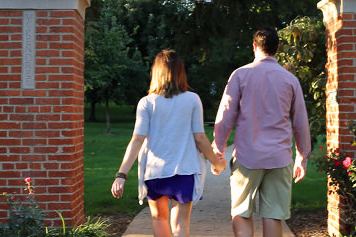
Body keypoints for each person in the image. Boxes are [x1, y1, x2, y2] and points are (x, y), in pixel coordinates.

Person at [112, 50, 227, 237]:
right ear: (181, 72)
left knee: (159, 219)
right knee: (181, 225)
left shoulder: (146, 103)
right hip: (185, 171)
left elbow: (137, 140)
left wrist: (121, 175)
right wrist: (217, 162)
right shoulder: (192, 99)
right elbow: (200, 138)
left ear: (155, 72)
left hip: (155, 173)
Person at [212, 28, 311, 237]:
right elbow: (301, 122)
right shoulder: (290, 80)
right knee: (273, 216)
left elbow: (226, 114)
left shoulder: (240, 75)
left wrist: (218, 149)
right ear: (278, 48)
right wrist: (302, 157)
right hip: (280, 157)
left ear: (254, 46)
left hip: (247, 157)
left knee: (240, 212)